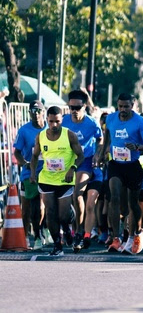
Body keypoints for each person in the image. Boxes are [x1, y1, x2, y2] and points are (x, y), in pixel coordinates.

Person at [99, 92, 143, 255]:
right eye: (120, 106)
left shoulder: (140, 122)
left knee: (132, 204)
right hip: (116, 164)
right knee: (114, 197)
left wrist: (137, 147)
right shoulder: (110, 119)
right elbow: (107, 135)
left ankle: (134, 235)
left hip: (133, 165)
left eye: (126, 106)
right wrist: (103, 153)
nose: (123, 109)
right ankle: (115, 238)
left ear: (133, 106)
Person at [30, 106, 84, 257]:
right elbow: (34, 156)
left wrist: (72, 168)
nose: (54, 125)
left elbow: (80, 156)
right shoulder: (40, 136)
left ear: (62, 120)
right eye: (51, 121)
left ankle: (67, 228)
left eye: (57, 122)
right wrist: (33, 173)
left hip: (65, 180)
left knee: (63, 216)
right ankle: (57, 245)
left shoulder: (69, 135)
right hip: (47, 178)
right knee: (50, 212)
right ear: (47, 119)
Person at [64, 89, 103, 252]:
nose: (74, 111)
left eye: (78, 107)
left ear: (85, 106)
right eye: (71, 107)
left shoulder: (92, 123)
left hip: (86, 161)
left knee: (79, 195)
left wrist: (98, 155)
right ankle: (74, 230)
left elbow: (101, 140)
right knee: (69, 201)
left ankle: (82, 232)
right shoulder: (64, 121)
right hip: (68, 161)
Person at [14, 101, 46, 248]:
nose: (35, 113)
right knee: (27, 208)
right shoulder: (24, 130)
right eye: (32, 110)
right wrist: (24, 163)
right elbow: (17, 152)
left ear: (43, 111)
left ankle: (42, 232)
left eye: (38, 110)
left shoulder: (49, 128)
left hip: (48, 172)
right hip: (29, 173)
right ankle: (26, 237)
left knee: (42, 206)